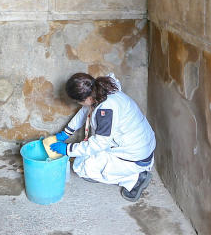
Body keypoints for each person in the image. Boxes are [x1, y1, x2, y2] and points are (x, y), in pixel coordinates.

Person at [48, 72, 156, 202]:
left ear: (86, 99)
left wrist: (67, 149)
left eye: (78, 101)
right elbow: (85, 110)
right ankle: (130, 172)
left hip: (134, 156)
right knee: (81, 159)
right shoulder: (102, 88)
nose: (79, 104)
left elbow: (98, 144)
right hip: (139, 144)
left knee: (81, 169)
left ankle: (135, 179)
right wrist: (67, 132)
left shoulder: (106, 111)